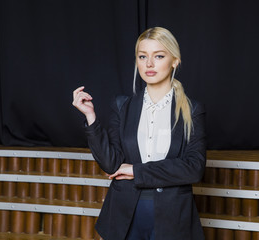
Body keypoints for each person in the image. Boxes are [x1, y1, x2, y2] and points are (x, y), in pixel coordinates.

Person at [72, 27, 206, 240]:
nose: (149, 64)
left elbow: (193, 168)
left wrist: (137, 170)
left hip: (173, 220)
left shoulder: (192, 110)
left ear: (175, 61)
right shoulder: (122, 106)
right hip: (122, 217)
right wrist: (91, 118)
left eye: (159, 56)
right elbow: (111, 165)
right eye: (143, 56)